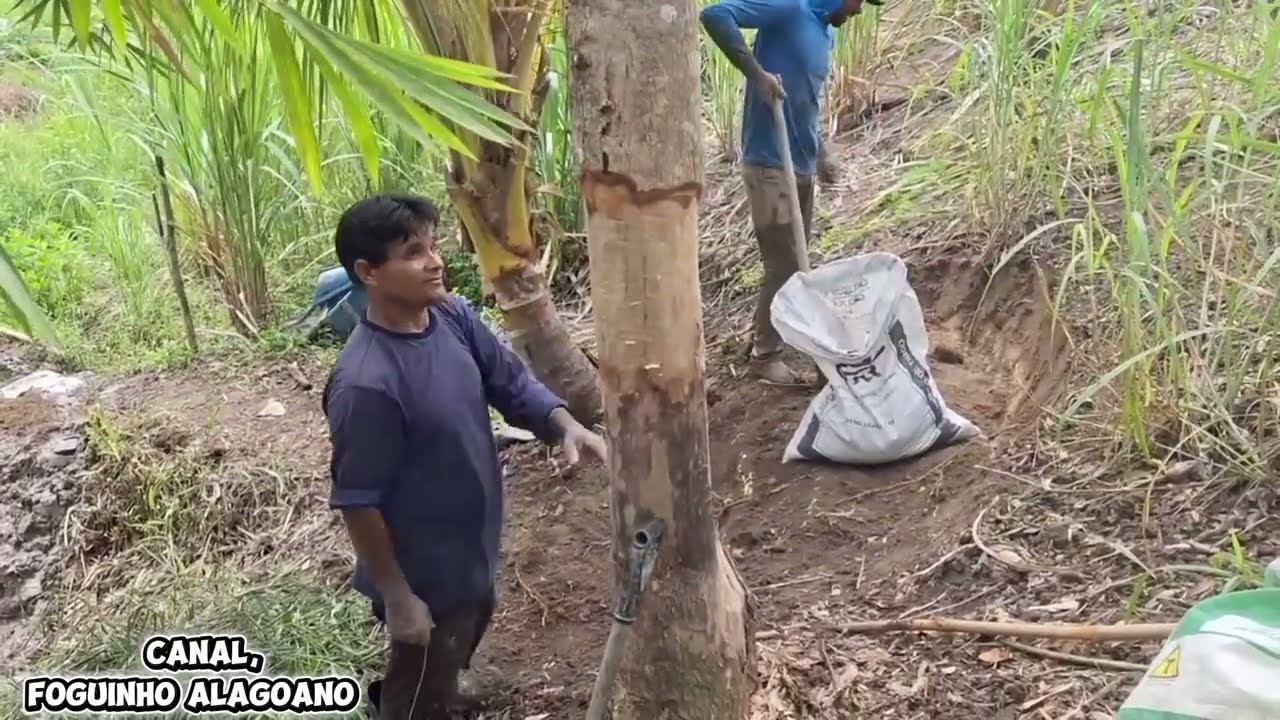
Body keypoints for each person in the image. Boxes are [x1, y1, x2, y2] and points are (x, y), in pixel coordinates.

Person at [320, 193, 607, 719]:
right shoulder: (366, 383)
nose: (435, 261)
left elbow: (509, 381)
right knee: (420, 678)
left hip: (470, 545)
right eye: (412, 252)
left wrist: (564, 424)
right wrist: (400, 596)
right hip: (423, 569)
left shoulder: (450, 316)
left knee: (464, 630)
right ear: (369, 272)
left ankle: (446, 689)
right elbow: (359, 501)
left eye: (433, 246)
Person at [701, 0, 863, 385]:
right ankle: (765, 355)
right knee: (784, 263)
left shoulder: (825, 33)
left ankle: (795, 344)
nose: (858, 11)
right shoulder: (789, 7)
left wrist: (821, 151)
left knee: (798, 261)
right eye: (859, 2)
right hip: (769, 161)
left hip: (801, 165)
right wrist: (757, 74)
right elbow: (714, 15)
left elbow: (809, 100)